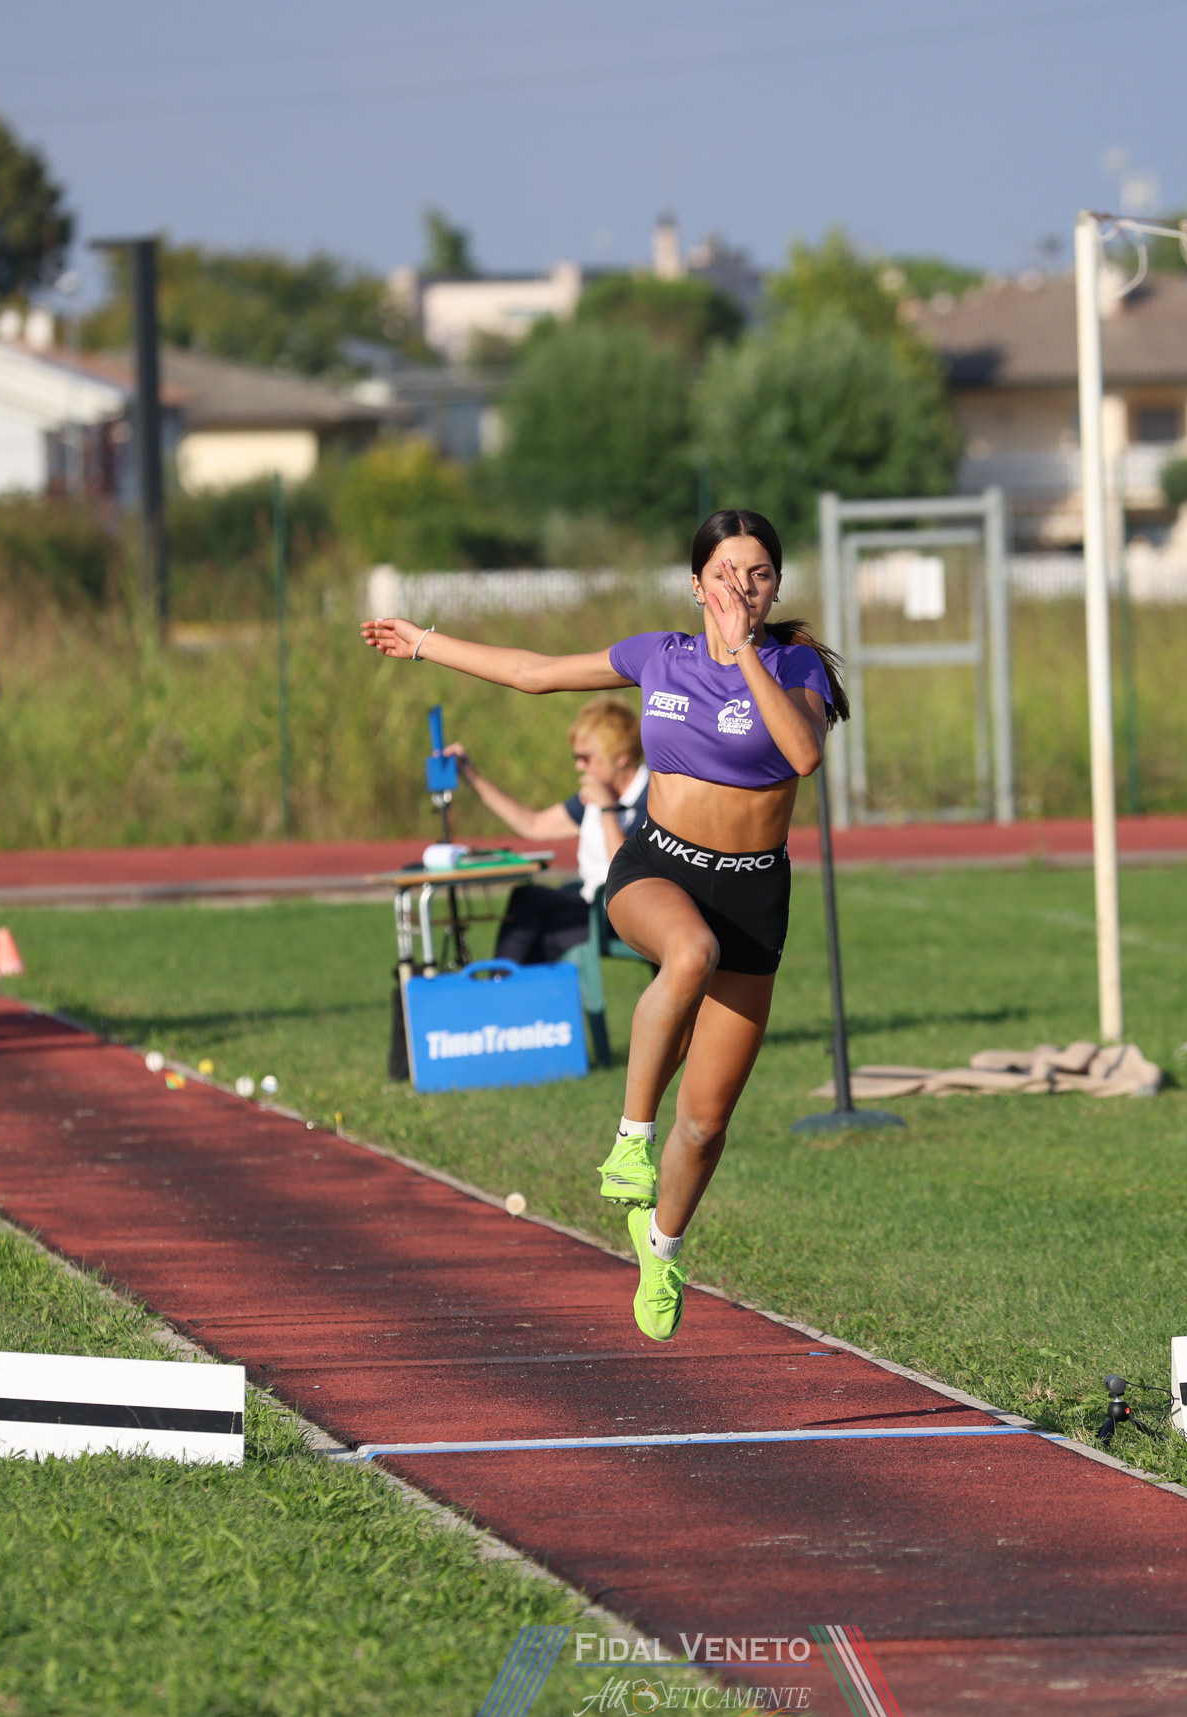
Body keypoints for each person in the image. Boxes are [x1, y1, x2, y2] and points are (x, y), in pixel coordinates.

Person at [361, 509, 843, 1340]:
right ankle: (629, 1138)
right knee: (687, 952)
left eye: (758, 574)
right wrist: (426, 643)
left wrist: (745, 655)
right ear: (696, 585)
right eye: (725, 573)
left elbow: (802, 753)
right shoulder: (660, 656)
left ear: (774, 588)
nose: (741, 587)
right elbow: (533, 671)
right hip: (659, 867)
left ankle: (662, 1248)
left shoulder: (795, 667)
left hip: (754, 894)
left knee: (708, 1121)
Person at [447, 696, 649, 965]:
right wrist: (472, 776)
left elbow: (627, 874)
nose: (579, 766)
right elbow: (533, 825)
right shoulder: (599, 793)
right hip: (591, 902)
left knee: (543, 934)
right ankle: (502, 981)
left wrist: (607, 811)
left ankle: (502, 984)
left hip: (631, 914)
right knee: (526, 899)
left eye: (586, 758)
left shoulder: (653, 798)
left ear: (621, 757)